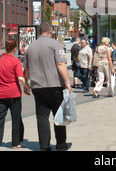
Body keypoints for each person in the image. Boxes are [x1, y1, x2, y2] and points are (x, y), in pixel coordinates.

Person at [24, 22, 72, 151]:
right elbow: (61, 64)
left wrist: (26, 84)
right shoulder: (55, 44)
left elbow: (27, 69)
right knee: (59, 114)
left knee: (42, 117)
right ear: (50, 31)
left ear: (40, 31)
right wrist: (67, 81)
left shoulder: (31, 47)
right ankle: (61, 143)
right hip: (54, 85)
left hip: (37, 87)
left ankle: (44, 146)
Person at [0, 39, 30, 149]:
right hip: (14, 93)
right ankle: (16, 142)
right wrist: (28, 87)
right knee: (16, 118)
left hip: (0, 93)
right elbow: (20, 78)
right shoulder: (15, 61)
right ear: (15, 48)